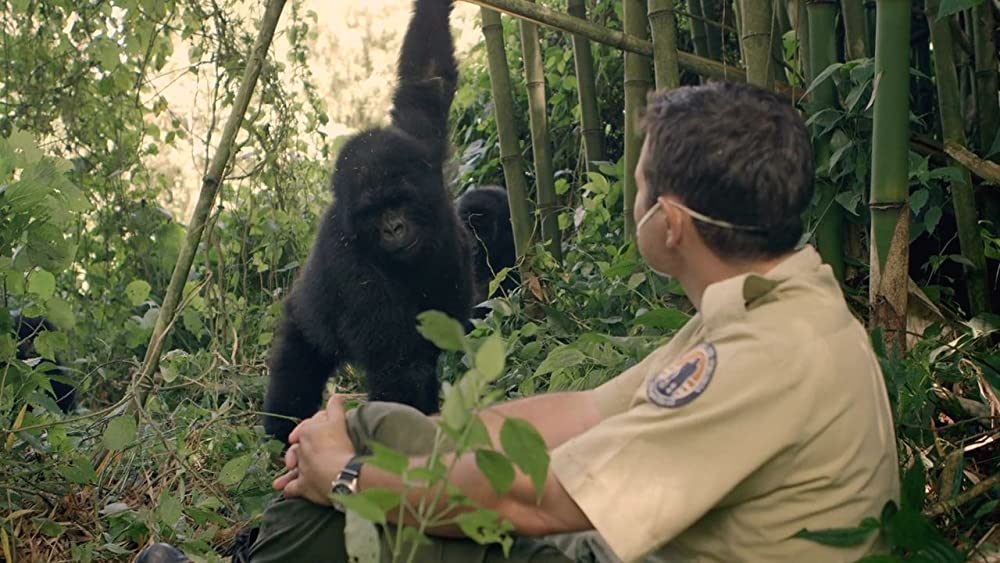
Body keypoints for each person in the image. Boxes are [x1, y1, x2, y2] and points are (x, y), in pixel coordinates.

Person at [138, 82, 900, 563]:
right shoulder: (767, 310)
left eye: (636, 181)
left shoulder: (764, 358)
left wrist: (345, 475)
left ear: (669, 223)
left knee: (357, 516)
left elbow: (523, 503)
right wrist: (394, 436)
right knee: (380, 426)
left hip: (616, 544)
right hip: (654, 535)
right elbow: (579, 410)